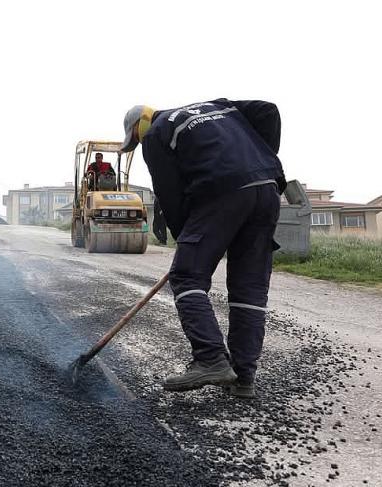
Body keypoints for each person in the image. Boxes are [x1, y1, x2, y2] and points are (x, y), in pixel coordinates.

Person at [120, 99, 285, 399]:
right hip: (267, 188)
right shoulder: (218, 106)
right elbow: (267, 110)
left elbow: (169, 194)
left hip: (221, 191)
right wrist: (263, 157)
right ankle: (243, 377)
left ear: (138, 125)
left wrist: (191, 243)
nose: (139, 142)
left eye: (135, 138)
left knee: (185, 276)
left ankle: (210, 358)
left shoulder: (157, 132)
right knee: (249, 289)